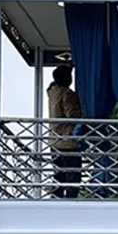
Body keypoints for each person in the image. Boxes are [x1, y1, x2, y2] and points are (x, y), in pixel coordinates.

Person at [47, 65, 83, 198]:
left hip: (55, 141)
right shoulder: (66, 94)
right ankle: (70, 202)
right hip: (68, 141)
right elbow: (72, 114)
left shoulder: (52, 92)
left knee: (59, 175)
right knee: (73, 176)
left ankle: (56, 198)